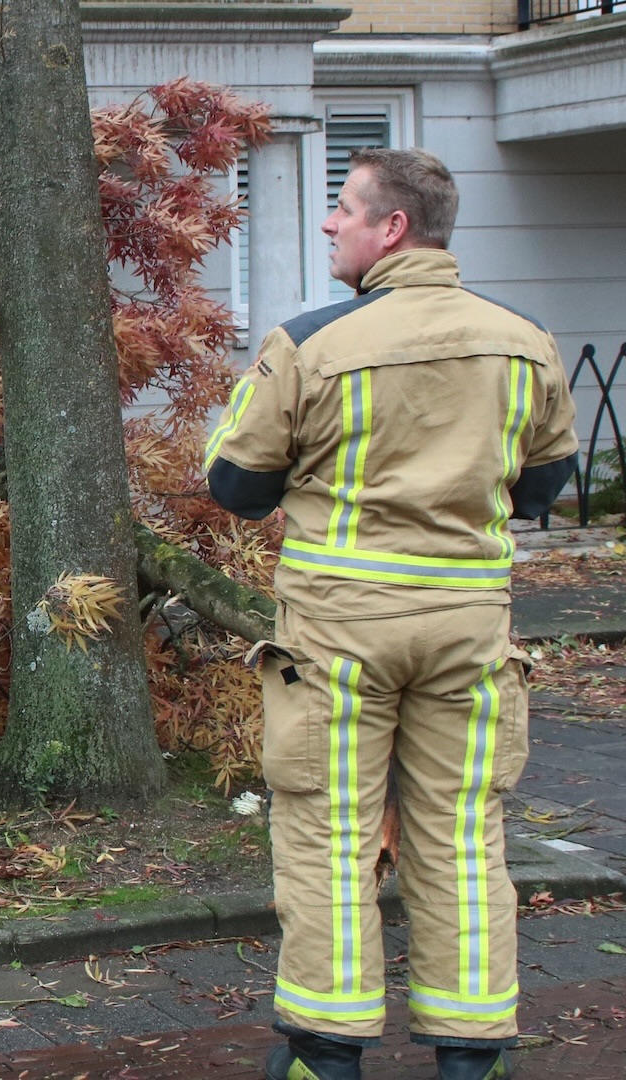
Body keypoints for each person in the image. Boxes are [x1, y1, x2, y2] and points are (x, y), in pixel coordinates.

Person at [206, 148, 578, 1080]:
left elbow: (237, 484)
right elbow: (542, 486)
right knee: (462, 830)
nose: (331, 224)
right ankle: (473, 1055)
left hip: (339, 635)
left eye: (343, 209)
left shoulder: (310, 343)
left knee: (329, 831)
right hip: (469, 628)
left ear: (392, 229)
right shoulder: (525, 339)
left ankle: (325, 1059)